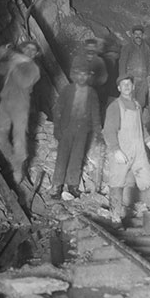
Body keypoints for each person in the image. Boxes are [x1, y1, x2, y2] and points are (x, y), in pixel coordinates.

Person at [103, 75, 150, 223]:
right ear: (119, 88)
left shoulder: (137, 105)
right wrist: (115, 150)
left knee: (148, 180)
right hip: (122, 152)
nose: (126, 86)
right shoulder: (115, 106)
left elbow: (141, 128)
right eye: (123, 84)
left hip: (138, 152)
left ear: (133, 87)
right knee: (117, 183)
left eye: (129, 84)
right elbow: (108, 130)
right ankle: (115, 218)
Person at [50, 55, 103, 200]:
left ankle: (72, 185)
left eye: (84, 74)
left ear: (88, 76)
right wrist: (57, 128)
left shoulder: (92, 93)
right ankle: (57, 186)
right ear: (74, 75)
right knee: (62, 157)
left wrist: (98, 132)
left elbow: (95, 113)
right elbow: (58, 110)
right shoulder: (67, 90)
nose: (81, 77)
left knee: (77, 157)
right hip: (67, 128)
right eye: (79, 74)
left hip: (82, 130)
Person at [0, 40, 41, 183]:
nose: (30, 51)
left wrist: (15, 60)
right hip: (5, 101)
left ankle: (18, 170)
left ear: (36, 54)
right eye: (27, 48)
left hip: (20, 106)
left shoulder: (33, 68)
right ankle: (13, 161)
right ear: (22, 49)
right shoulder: (15, 62)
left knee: (19, 138)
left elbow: (23, 82)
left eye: (33, 50)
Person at [119, 25, 150, 124]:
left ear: (143, 35)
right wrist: (122, 80)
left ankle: (137, 124)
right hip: (130, 80)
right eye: (136, 34)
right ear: (132, 35)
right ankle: (127, 125)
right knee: (129, 102)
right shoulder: (127, 47)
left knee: (141, 103)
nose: (138, 36)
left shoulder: (146, 48)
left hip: (143, 80)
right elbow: (122, 63)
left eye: (140, 34)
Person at [81, 38, 109, 119]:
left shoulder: (100, 61)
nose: (90, 50)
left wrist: (94, 80)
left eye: (93, 47)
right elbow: (73, 73)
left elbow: (104, 77)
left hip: (96, 91)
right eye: (88, 47)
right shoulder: (80, 60)